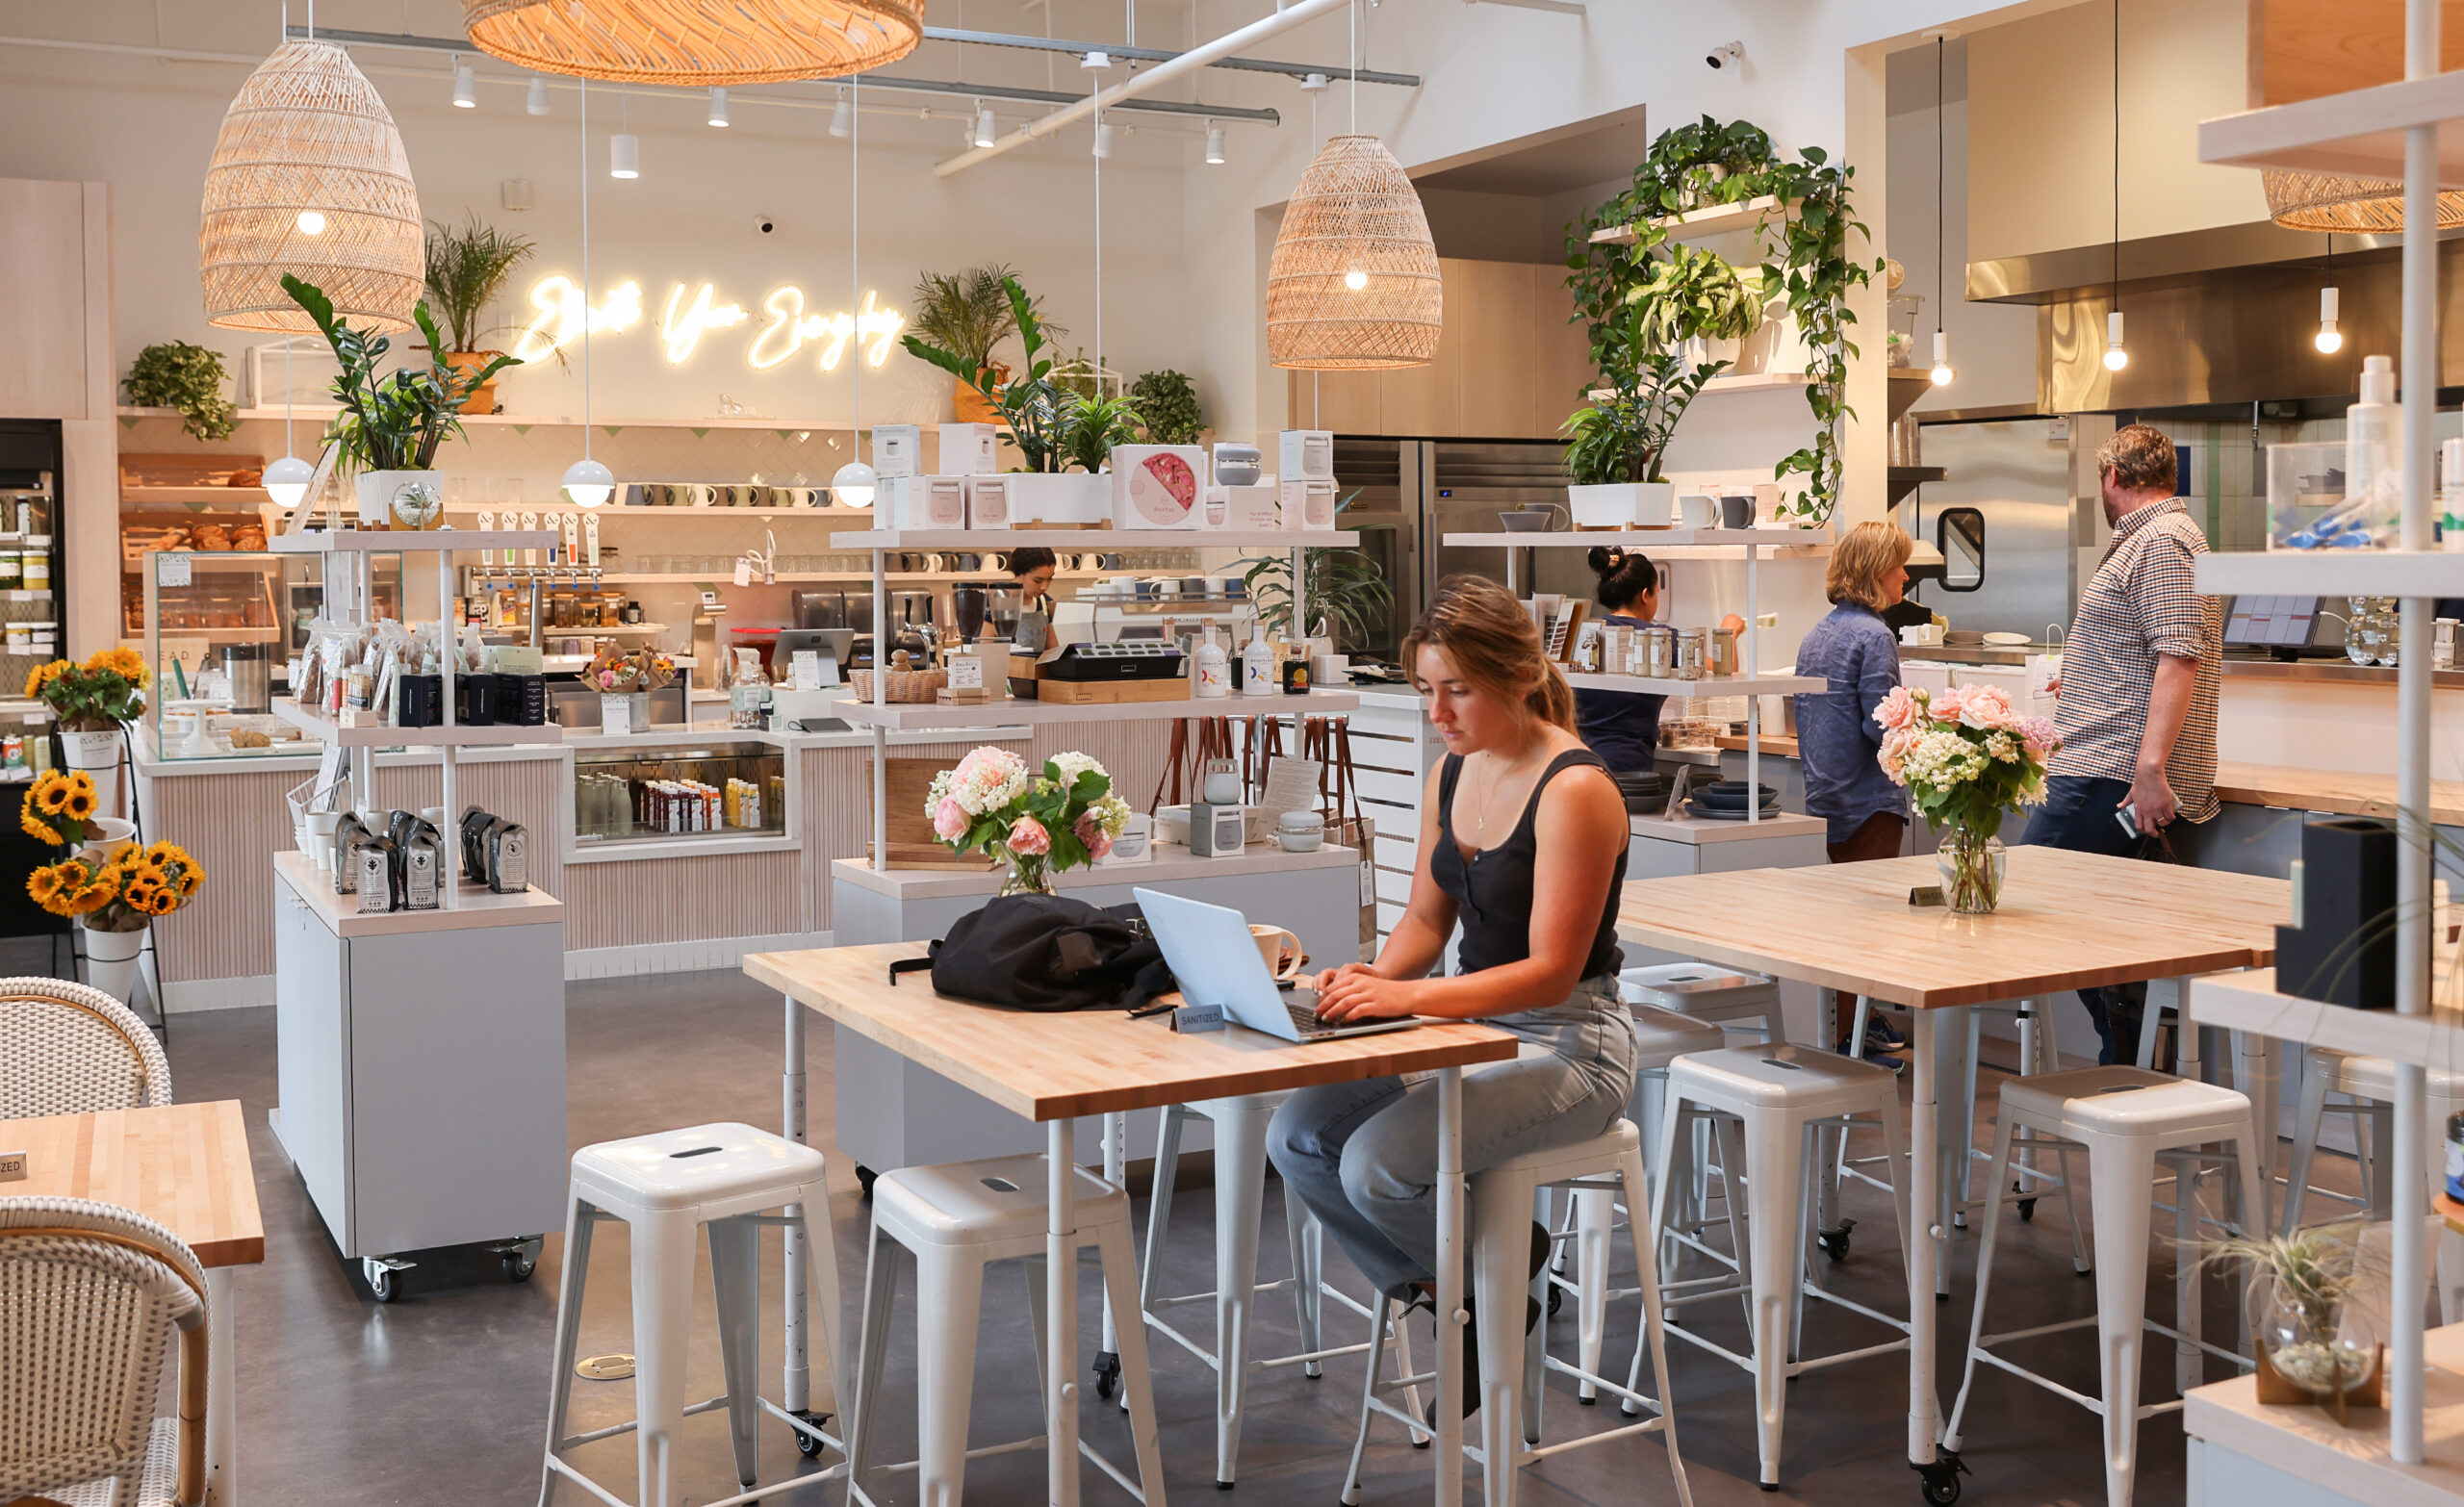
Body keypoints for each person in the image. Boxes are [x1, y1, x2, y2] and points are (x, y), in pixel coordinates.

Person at [1269, 575, 1638, 1414]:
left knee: (1375, 1166)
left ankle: (1487, 1294)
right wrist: (1374, 975)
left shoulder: (1576, 789)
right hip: (1473, 1025)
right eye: (1426, 691)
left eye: (1458, 691)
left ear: (1519, 676)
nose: (1438, 713)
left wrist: (1408, 1002)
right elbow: (1425, 922)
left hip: (1571, 1043)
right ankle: (1478, 1287)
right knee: (1296, 1138)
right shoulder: (1450, 773)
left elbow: (1550, 971)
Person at [2025, 422, 2221, 1063]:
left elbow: (2179, 657)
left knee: (2028, 900)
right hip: (2102, 761)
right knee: (2098, 931)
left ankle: (2131, 1057)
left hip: (2110, 772)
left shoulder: (2163, 542)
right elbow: (2151, 652)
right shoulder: (2151, 540)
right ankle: (2126, 1064)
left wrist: (2151, 770)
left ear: (2112, 476)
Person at [1792, 520, 1916, 1064]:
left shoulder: (1817, 633)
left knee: (1834, 925)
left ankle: (1844, 1032)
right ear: (1875, 573)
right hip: (1868, 800)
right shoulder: (1875, 636)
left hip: (1824, 793)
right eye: (1898, 566)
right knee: (1866, 930)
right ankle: (1854, 1040)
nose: (1906, 576)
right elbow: (1881, 724)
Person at [1574, 547, 1748, 773]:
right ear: (1646, 595)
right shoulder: (1659, 638)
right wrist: (1729, 632)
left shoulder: (1586, 633)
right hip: (1628, 764)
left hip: (1578, 759)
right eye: (1657, 592)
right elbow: (1725, 670)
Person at [1009, 546, 1058, 651]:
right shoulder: (997, 603)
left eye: (1049, 579)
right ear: (1019, 574)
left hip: (1038, 668)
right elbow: (984, 651)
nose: (1044, 587)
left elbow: (1052, 652)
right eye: (1037, 580)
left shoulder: (1045, 602)